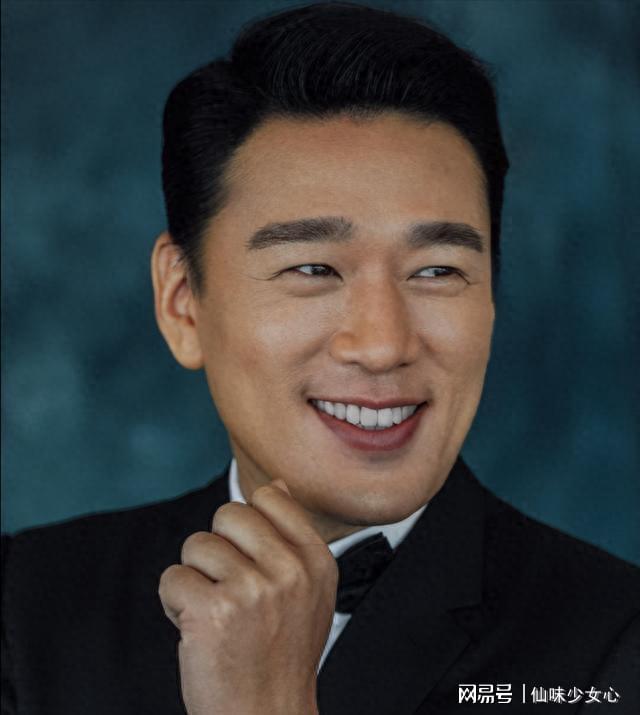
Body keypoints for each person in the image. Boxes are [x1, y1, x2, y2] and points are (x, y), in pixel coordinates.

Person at [2, 3, 638, 714]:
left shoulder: (617, 645)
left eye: (436, 270)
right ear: (182, 303)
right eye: (313, 268)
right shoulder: (25, 608)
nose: (383, 345)